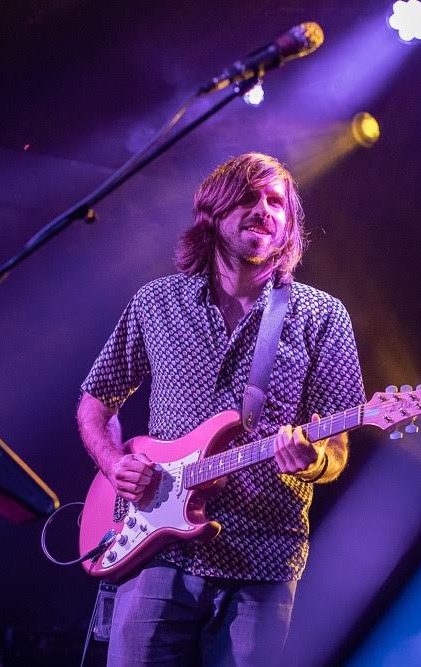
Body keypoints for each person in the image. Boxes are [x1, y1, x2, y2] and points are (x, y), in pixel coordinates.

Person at [77, 152, 365, 665]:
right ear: (213, 211)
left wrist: (312, 460)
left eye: (276, 202)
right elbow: (95, 403)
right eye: (248, 197)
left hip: (263, 559)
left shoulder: (323, 316)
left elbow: (337, 449)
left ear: (289, 224)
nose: (264, 210)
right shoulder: (156, 302)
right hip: (154, 551)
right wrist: (115, 464)